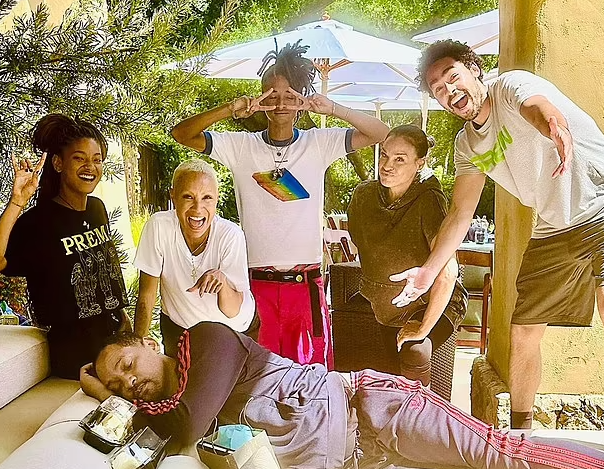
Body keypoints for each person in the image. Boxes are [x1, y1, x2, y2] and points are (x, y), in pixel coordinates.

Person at [390, 40, 604, 429]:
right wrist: (427, 272)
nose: (449, 90)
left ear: (475, 71)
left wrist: (553, 124)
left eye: (453, 77)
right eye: (438, 89)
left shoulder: (509, 86)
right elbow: (460, 213)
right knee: (523, 332)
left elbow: (536, 106)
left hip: (601, 203)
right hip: (554, 226)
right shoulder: (467, 146)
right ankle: (520, 437)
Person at [82, 322, 604, 469]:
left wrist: (109, 398)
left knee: (499, 454)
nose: (130, 383)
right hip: (362, 459)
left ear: (148, 343)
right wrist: (117, 400)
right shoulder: (164, 406)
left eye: (126, 366)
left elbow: (186, 426)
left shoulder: (206, 340)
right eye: (119, 386)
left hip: (375, 410)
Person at [171, 41, 389, 368]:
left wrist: (332, 109)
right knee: (259, 377)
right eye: (271, 95)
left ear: (301, 100)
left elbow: (380, 132)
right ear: (261, 100)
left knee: (310, 378)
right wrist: (230, 109)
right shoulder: (240, 148)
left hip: (306, 286)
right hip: (255, 286)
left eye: (290, 95)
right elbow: (182, 134)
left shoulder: (319, 143)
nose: (280, 103)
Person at [0, 113, 130, 379]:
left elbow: (103, 271)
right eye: (79, 158)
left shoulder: (97, 209)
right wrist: (16, 203)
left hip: (114, 343)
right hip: (75, 355)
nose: (90, 167)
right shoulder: (38, 221)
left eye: (97, 159)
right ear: (58, 163)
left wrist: (122, 316)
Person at [347, 125, 467, 385]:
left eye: (400, 159)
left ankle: (421, 409)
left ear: (419, 163)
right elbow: (362, 249)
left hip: (432, 302)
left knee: (414, 351)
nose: (387, 165)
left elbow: (448, 272)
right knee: (391, 374)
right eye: (384, 155)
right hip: (387, 304)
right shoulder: (363, 196)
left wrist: (423, 328)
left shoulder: (429, 200)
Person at [133, 159, 254, 357]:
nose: (198, 208)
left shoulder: (230, 235)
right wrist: (138, 349)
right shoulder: (159, 227)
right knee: (175, 377)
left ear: (216, 199)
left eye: (207, 198)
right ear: (173, 196)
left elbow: (232, 310)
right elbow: (146, 295)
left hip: (231, 331)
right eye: (188, 197)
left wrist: (222, 282)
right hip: (180, 327)